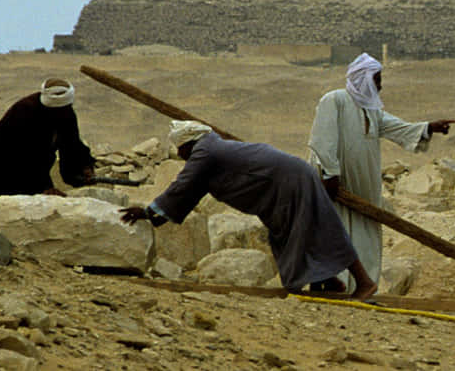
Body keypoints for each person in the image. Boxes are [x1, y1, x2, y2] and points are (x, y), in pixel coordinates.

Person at [122, 121, 378, 299]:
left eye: (180, 150)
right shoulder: (210, 151)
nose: (180, 155)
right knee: (289, 234)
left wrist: (148, 211)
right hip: (284, 183)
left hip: (290, 180)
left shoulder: (205, 152)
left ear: (188, 144)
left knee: (322, 228)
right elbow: (190, 193)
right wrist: (153, 214)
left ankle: (364, 282)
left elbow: (182, 185)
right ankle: (329, 281)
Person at [307, 53, 454, 292]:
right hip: (333, 187)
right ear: (363, 79)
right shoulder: (334, 100)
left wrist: (428, 127)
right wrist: (330, 174)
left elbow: (396, 127)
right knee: (331, 230)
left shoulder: (371, 110)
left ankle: (358, 285)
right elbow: (322, 141)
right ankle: (333, 283)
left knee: (364, 235)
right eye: (376, 79)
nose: (380, 85)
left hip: (362, 190)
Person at [0, 79, 98, 232]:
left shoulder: (66, 114)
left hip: (24, 174)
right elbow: (26, 157)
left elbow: (72, 145)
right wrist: (45, 187)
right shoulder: (25, 111)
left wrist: (83, 168)